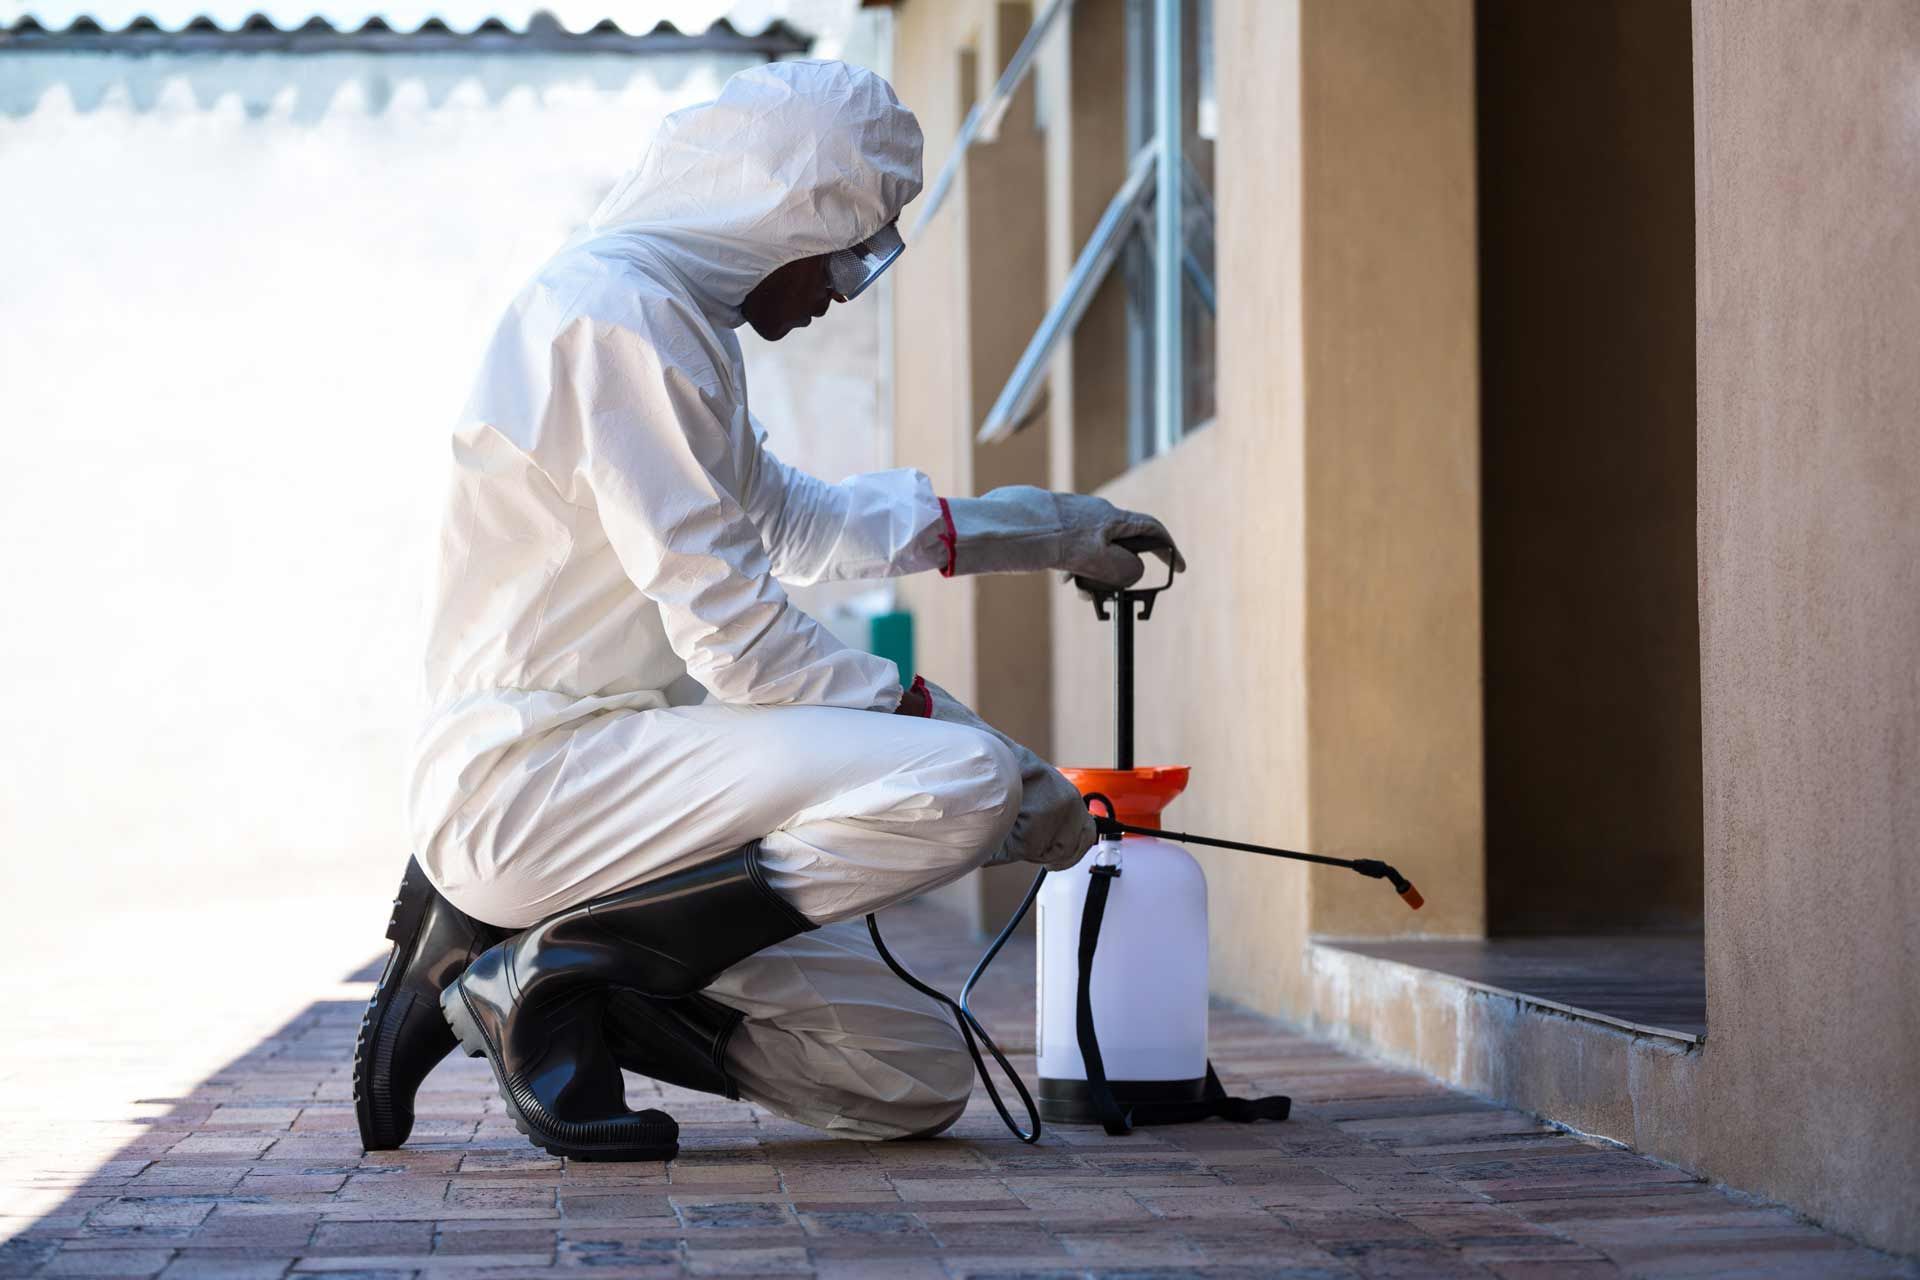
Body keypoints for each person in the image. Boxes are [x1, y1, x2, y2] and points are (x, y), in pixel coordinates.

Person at [353, 60, 1182, 1161]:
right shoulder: (620, 318)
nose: (846, 286)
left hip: (622, 785)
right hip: (537, 776)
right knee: (963, 783)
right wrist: (998, 761)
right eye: (850, 245)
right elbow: (737, 641)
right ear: (780, 208)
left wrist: (1049, 528)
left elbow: (799, 521)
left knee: (913, 1072)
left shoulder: (672, 320)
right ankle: (544, 974)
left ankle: (528, 961)